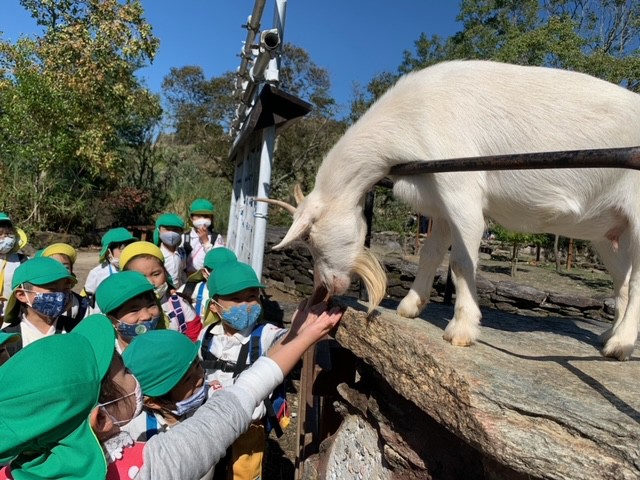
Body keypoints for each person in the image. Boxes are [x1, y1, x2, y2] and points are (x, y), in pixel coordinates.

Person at [0, 303, 342, 479]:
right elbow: (235, 403)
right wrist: (307, 336)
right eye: (125, 371)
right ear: (100, 419)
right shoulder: (148, 469)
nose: (134, 375)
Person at [200, 260, 295, 480]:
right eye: (236, 299)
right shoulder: (207, 335)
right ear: (214, 306)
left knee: (245, 472)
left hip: (249, 423)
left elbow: (287, 339)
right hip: (211, 418)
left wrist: (300, 327)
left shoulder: (265, 333)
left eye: (252, 297)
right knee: (207, 466)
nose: (247, 305)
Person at [120, 241, 201, 341]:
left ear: (165, 272)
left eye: (156, 274)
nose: (150, 282)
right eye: (141, 277)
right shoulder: (120, 310)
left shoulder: (180, 305)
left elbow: (194, 335)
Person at [0, 257, 78, 357]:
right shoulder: (7, 341)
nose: (61, 296)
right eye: (52, 289)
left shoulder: (77, 331)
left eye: (66, 289)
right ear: (22, 295)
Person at [95, 270, 163, 353]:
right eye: (134, 310)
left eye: (151, 305)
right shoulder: (109, 356)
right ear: (113, 320)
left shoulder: (169, 347)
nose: (146, 316)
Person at [37, 242, 92, 322]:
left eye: (65, 267)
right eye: (54, 266)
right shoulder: (36, 299)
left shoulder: (81, 304)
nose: (60, 270)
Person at [179, 247, 237, 319]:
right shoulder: (189, 290)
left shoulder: (241, 294)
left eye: (230, 272)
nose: (225, 277)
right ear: (205, 272)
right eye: (219, 273)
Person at [84, 227, 137, 303]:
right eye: (122, 248)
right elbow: (87, 298)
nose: (126, 252)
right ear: (108, 252)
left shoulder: (136, 270)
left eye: (129, 247)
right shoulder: (97, 273)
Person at [183, 199, 225, 276]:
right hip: (186, 278)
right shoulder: (185, 237)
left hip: (207, 278)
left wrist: (206, 241)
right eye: (198, 216)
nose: (202, 219)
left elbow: (217, 260)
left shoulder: (216, 238)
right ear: (191, 218)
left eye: (206, 216)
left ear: (211, 219)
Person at [0, 212, 28, 319]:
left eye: (8, 234)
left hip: (14, 316)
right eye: (0, 234)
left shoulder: (22, 260)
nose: (5, 238)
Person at [154, 213, 188, 288]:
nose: (171, 233)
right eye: (167, 229)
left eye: (175, 230)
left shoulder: (182, 252)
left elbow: (182, 273)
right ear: (158, 231)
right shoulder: (156, 254)